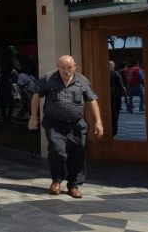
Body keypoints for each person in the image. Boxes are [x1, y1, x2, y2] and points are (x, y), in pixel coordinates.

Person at [29, 55, 103, 199]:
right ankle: (56, 181)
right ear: (58, 67)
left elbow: (92, 100)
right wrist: (33, 117)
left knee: (78, 154)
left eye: (69, 67)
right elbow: (36, 96)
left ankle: (73, 185)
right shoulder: (48, 79)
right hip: (54, 124)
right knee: (57, 151)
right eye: (62, 67)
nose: (66, 71)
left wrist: (98, 122)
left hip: (77, 125)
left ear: (75, 66)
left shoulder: (82, 81)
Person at [109, 61, 126, 136]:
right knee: (115, 114)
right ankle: (114, 131)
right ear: (113, 66)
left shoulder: (103, 74)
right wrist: (126, 97)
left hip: (106, 98)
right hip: (115, 97)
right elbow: (121, 86)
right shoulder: (116, 74)